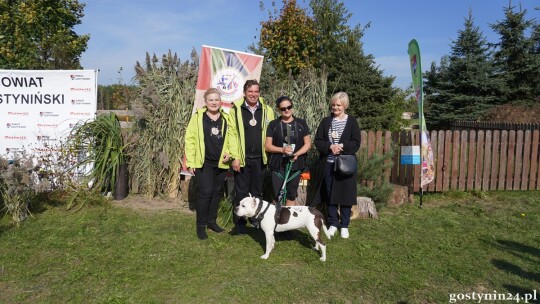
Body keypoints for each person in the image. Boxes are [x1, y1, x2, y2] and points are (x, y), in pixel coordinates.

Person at [228, 79, 275, 234]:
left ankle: (256, 221)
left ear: (259, 93)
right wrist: (235, 157)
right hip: (242, 159)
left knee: (257, 192)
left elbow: (271, 133)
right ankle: (240, 225)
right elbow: (232, 135)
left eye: (256, 91)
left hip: (260, 159)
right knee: (241, 193)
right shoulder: (236, 110)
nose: (253, 94)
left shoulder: (267, 110)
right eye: (250, 92)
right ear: (244, 93)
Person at [185, 88, 231, 240]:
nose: (214, 102)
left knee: (217, 192)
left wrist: (229, 152)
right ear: (205, 102)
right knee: (205, 193)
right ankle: (201, 226)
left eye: (216, 100)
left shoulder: (225, 118)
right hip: (204, 163)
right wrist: (191, 162)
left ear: (220, 101)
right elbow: (190, 140)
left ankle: (212, 222)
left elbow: (232, 138)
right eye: (211, 100)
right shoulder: (198, 118)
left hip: (221, 163)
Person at [313, 92, 361, 239]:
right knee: (330, 195)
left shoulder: (352, 121)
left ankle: (344, 225)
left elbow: (356, 142)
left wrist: (342, 146)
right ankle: (333, 223)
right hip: (328, 164)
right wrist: (329, 147)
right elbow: (318, 141)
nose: (335, 107)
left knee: (346, 195)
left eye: (338, 105)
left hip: (345, 166)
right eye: (333, 105)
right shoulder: (326, 121)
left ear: (344, 106)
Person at [265, 96, 311, 210]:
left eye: (289, 107)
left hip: (295, 164)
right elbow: (267, 146)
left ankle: (288, 223)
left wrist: (297, 154)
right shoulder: (273, 125)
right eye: (283, 108)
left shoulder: (301, 123)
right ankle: (275, 221)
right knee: (277, 194)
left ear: (292, 108)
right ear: (278, 110)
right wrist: (282, 150)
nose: (286, 110)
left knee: (291, 194)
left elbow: (307, 144)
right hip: (278, 164)